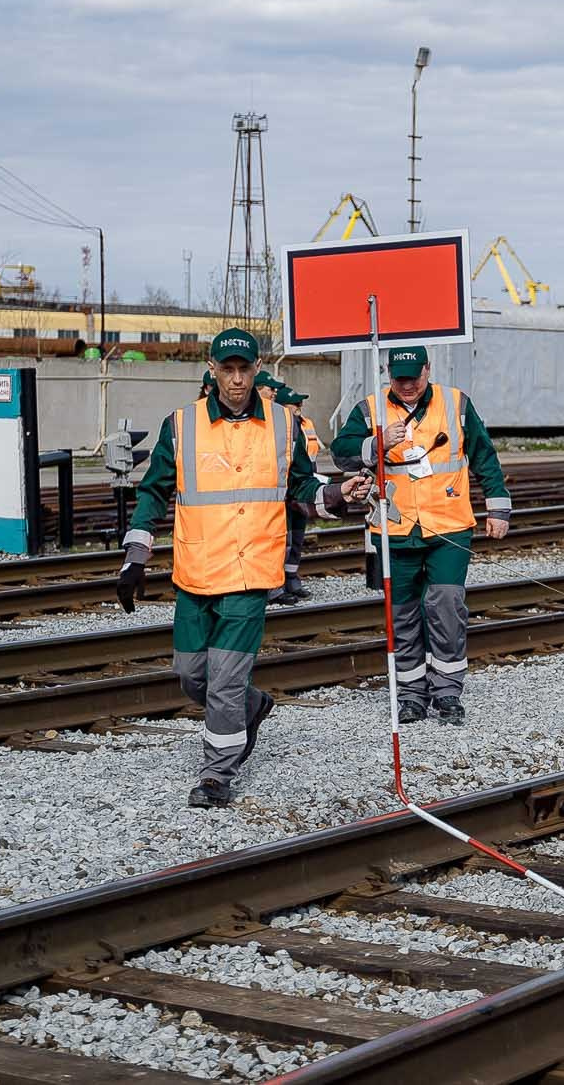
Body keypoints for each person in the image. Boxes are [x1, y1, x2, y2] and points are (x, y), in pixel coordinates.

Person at [113, 329, 366, 808]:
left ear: (256, 370)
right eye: (226, 369)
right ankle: (253, 706)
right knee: (192, 675)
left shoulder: (283, 424)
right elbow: (153, 492)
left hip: (251, 573)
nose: (235, 379)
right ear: (212, 370)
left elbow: (301, 488)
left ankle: (216, 775)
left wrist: (336, 494)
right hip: (196, 571)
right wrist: (135, 558)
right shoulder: (181, 425)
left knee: (226, 681)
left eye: (243, 369)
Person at [329, 345, 511, 726]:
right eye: (400, 379)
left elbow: (484, 456)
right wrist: (377, 443)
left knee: (447, 606)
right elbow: (341, 452)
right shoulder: (371, 409)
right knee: (403, 614)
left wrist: (498, 508)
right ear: (388, 374)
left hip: (449, 528)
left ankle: (447, 692)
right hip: (394, 530)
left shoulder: (455, 403)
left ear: (428, 370)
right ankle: (411, 694)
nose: (408, 385)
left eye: (414, 377)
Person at [255, 370, 320, 605]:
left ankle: (287, 579)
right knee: (278, 539)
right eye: (270, 388)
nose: (274, 392)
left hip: (298, 483)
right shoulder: (268, 421)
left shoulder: (296, 423)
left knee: (294, 537)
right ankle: (275, 585)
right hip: (278, 489)